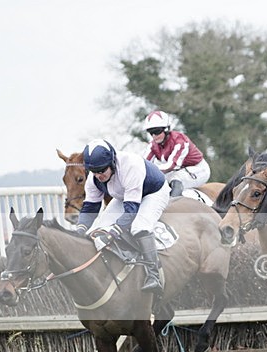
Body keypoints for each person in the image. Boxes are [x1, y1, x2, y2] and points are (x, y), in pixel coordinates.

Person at [76, 139, 170, 293]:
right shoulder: (93, 178)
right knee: (99, 227)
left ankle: (154, 275)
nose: (99, 175)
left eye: (102, 170)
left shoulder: (130, 166)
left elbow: (131, 211)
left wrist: (113, 233)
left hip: (153, 192)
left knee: (140, 227)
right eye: (94, 171)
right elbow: (90, 207)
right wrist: (79, 230)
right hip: (124, 196)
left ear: (112, 162)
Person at [143, 110, 211, 197]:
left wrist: (152, 171)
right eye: (150, 132)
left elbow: (171, 165)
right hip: (179, 170)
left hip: (198, 169)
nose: (154, 136)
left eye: (157, 131)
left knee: (175, 178)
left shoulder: (180, 141)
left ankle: (173, 205)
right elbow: (143, 164)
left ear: (166, 129)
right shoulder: (153, 145)